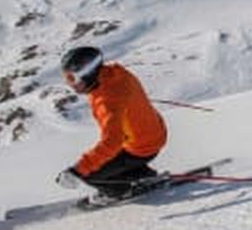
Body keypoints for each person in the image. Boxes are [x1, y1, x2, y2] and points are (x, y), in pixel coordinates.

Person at [55, 46, 168, 203]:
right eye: (66, 78)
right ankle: (142, 175)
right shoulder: (115, 74)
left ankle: (120, 192)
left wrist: (77, 171)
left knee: (89, 174)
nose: (70, 84)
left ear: (87, 74)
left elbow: (112, 142)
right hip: (153, 132)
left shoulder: (107, 101)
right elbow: (124, 96)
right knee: (106, 162)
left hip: (141, 147)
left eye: (71, 78)